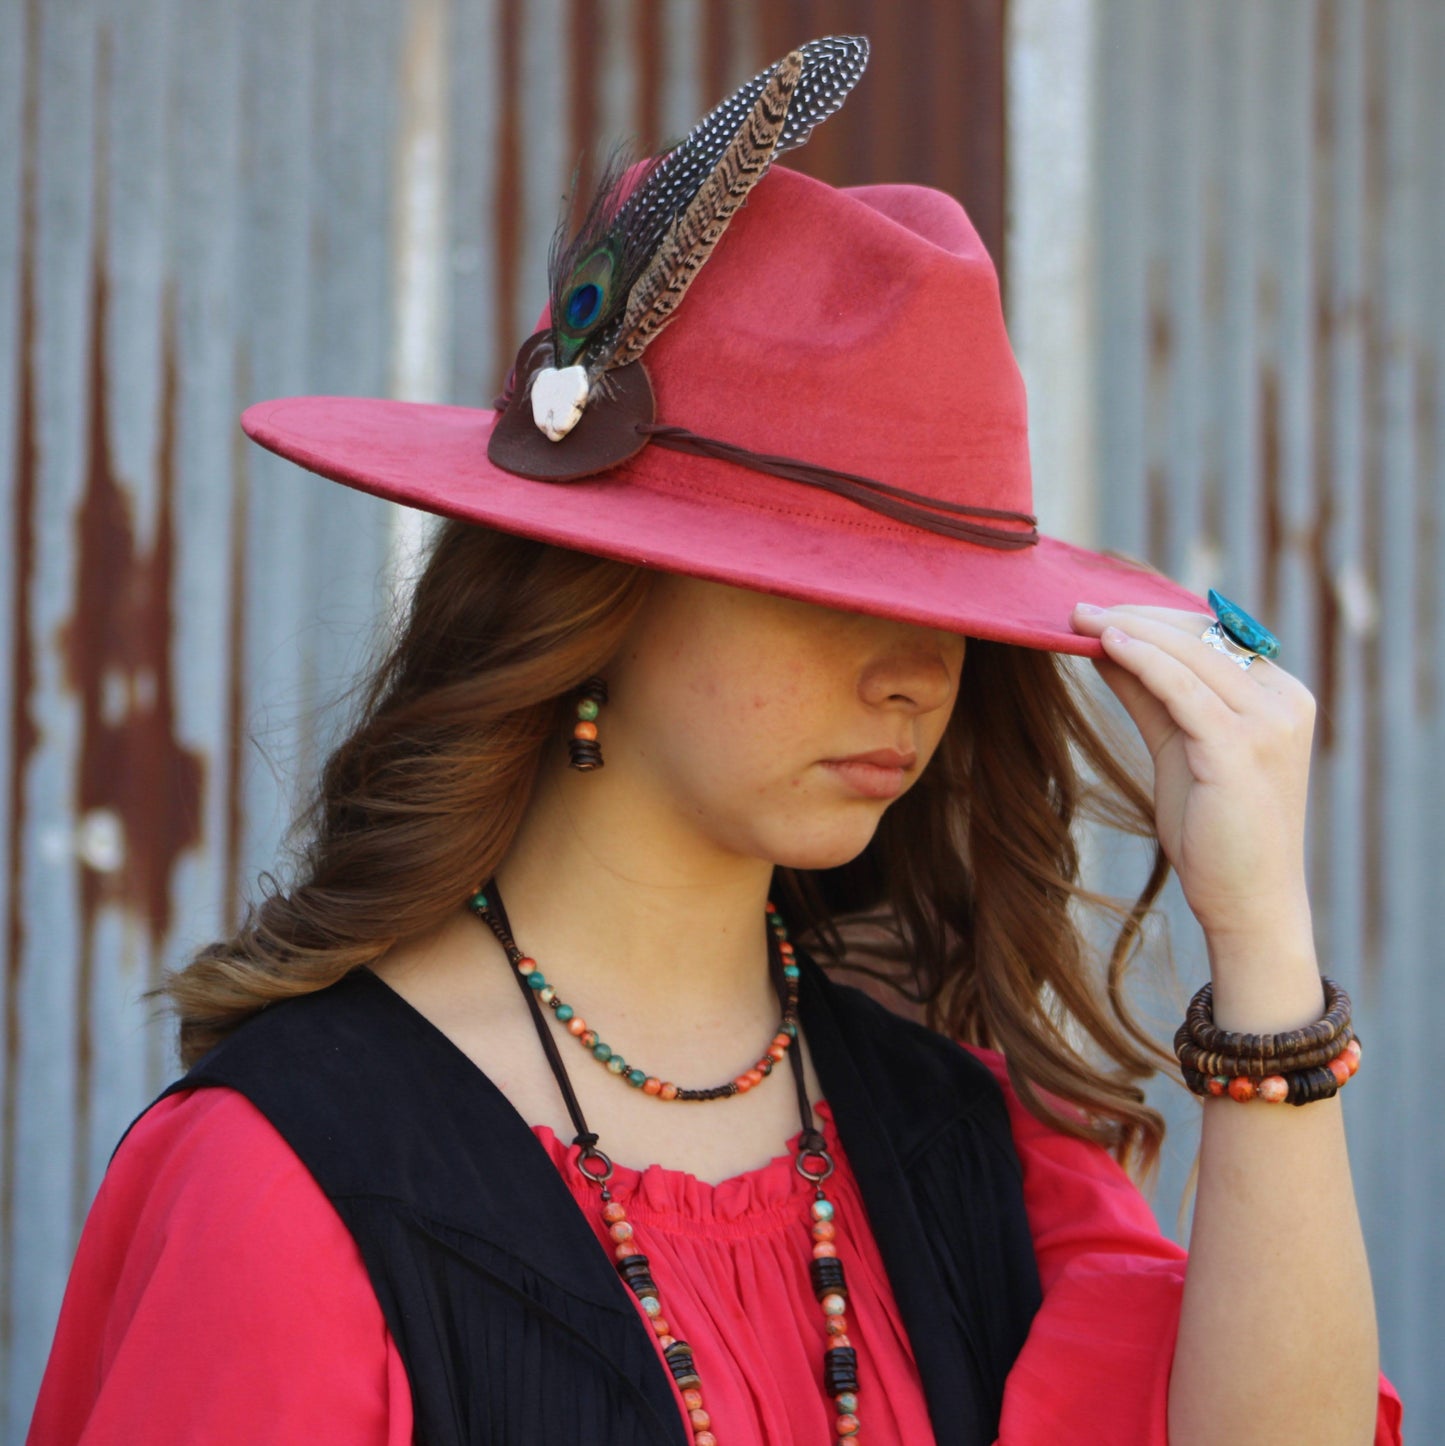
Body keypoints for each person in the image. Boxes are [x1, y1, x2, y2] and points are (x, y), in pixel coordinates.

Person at [30, 36, 1400, 1446]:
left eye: (950, 613)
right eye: (829, 591)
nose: (913, 675)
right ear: (596, 595)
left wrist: (1261, 948)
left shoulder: (961, 1147)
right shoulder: (294, 1175)